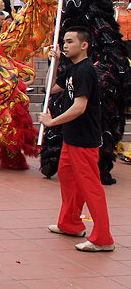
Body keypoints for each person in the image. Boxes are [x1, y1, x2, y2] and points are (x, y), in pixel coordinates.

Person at [39, 28, 114, 252]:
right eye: (64, 41)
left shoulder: (85, 71)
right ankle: (70, 224)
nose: (65, 44)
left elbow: (79, 107)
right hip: (72, 138)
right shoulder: (72, 68)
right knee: (68, 180)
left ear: (84, 45)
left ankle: (103, 238)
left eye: (70, 42)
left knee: (91, 187)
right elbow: (49, 89)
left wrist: (52, 122)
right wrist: (55, 63)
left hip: (84, 140)